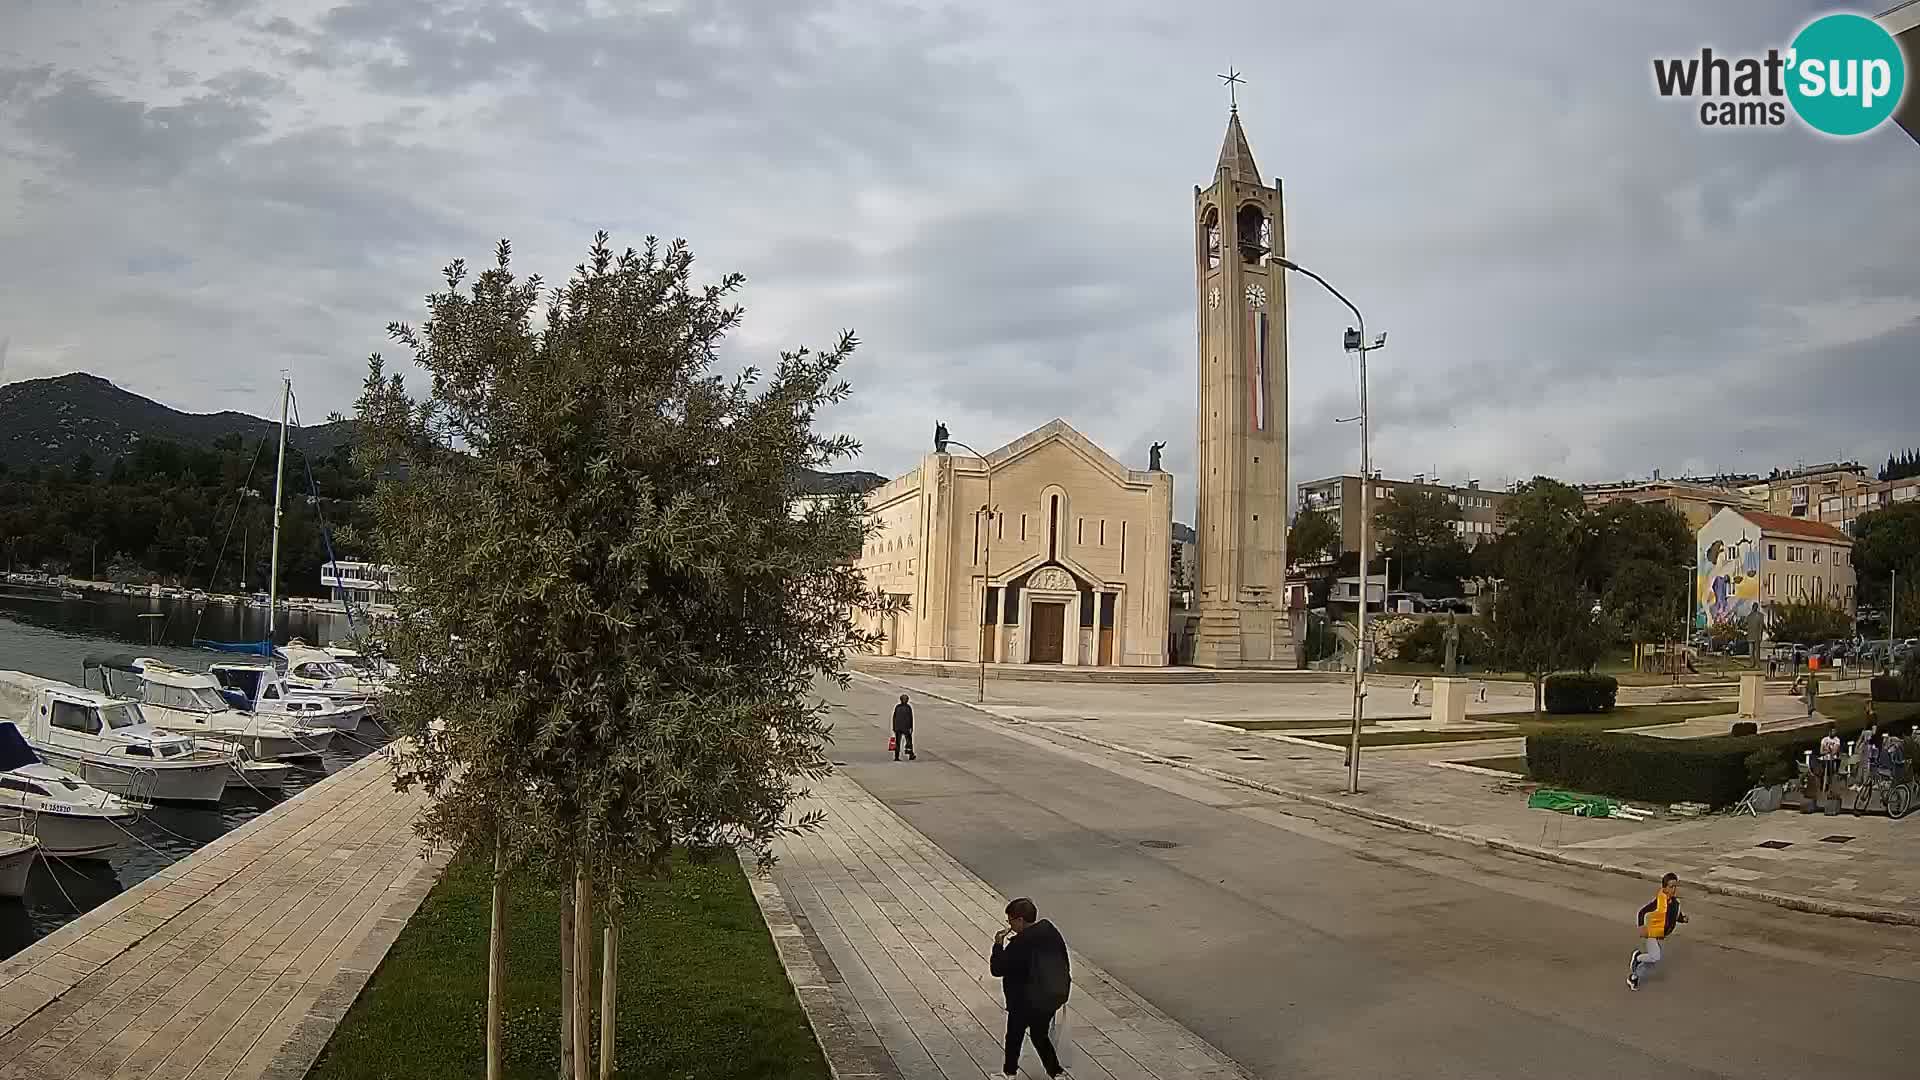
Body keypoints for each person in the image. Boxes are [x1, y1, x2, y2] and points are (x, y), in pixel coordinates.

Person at [991, 897, 1070, 1078]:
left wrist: (998, 945)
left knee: (1014, 1036)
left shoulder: (1020, 944)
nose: (1009, 924)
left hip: (1025, 999)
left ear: (1019, 920)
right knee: (1039, 1034)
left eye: (1010, 920)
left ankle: (1009, 1073)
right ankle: (1056, 1072)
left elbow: (997, 969)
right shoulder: (1050, 932)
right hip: (1051, 996)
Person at [1628, 873, 1687, 991]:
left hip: (1661, 936)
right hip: (1653, 934)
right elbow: (1642, 912)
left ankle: (1634, 977)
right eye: (1671, 887)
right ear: (1664, 888)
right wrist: (1641, 927)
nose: (1674, 889)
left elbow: (1676, 916)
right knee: (1655, 957)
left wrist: (1683, 919)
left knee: (1651, 963)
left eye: (1675, 886)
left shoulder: (1675, 903)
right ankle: (1638, 957)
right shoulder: (1658, 902)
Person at [891, 694, 916, 761]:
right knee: (909, 742)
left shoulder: (897, 707)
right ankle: (910, 755)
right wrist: (911, 727)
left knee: (898, 742)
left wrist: (894, 727)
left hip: (898, 728)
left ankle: (896, 757)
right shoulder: (908, 707)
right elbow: (911, 718)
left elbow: (894, 717)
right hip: (906, 728)